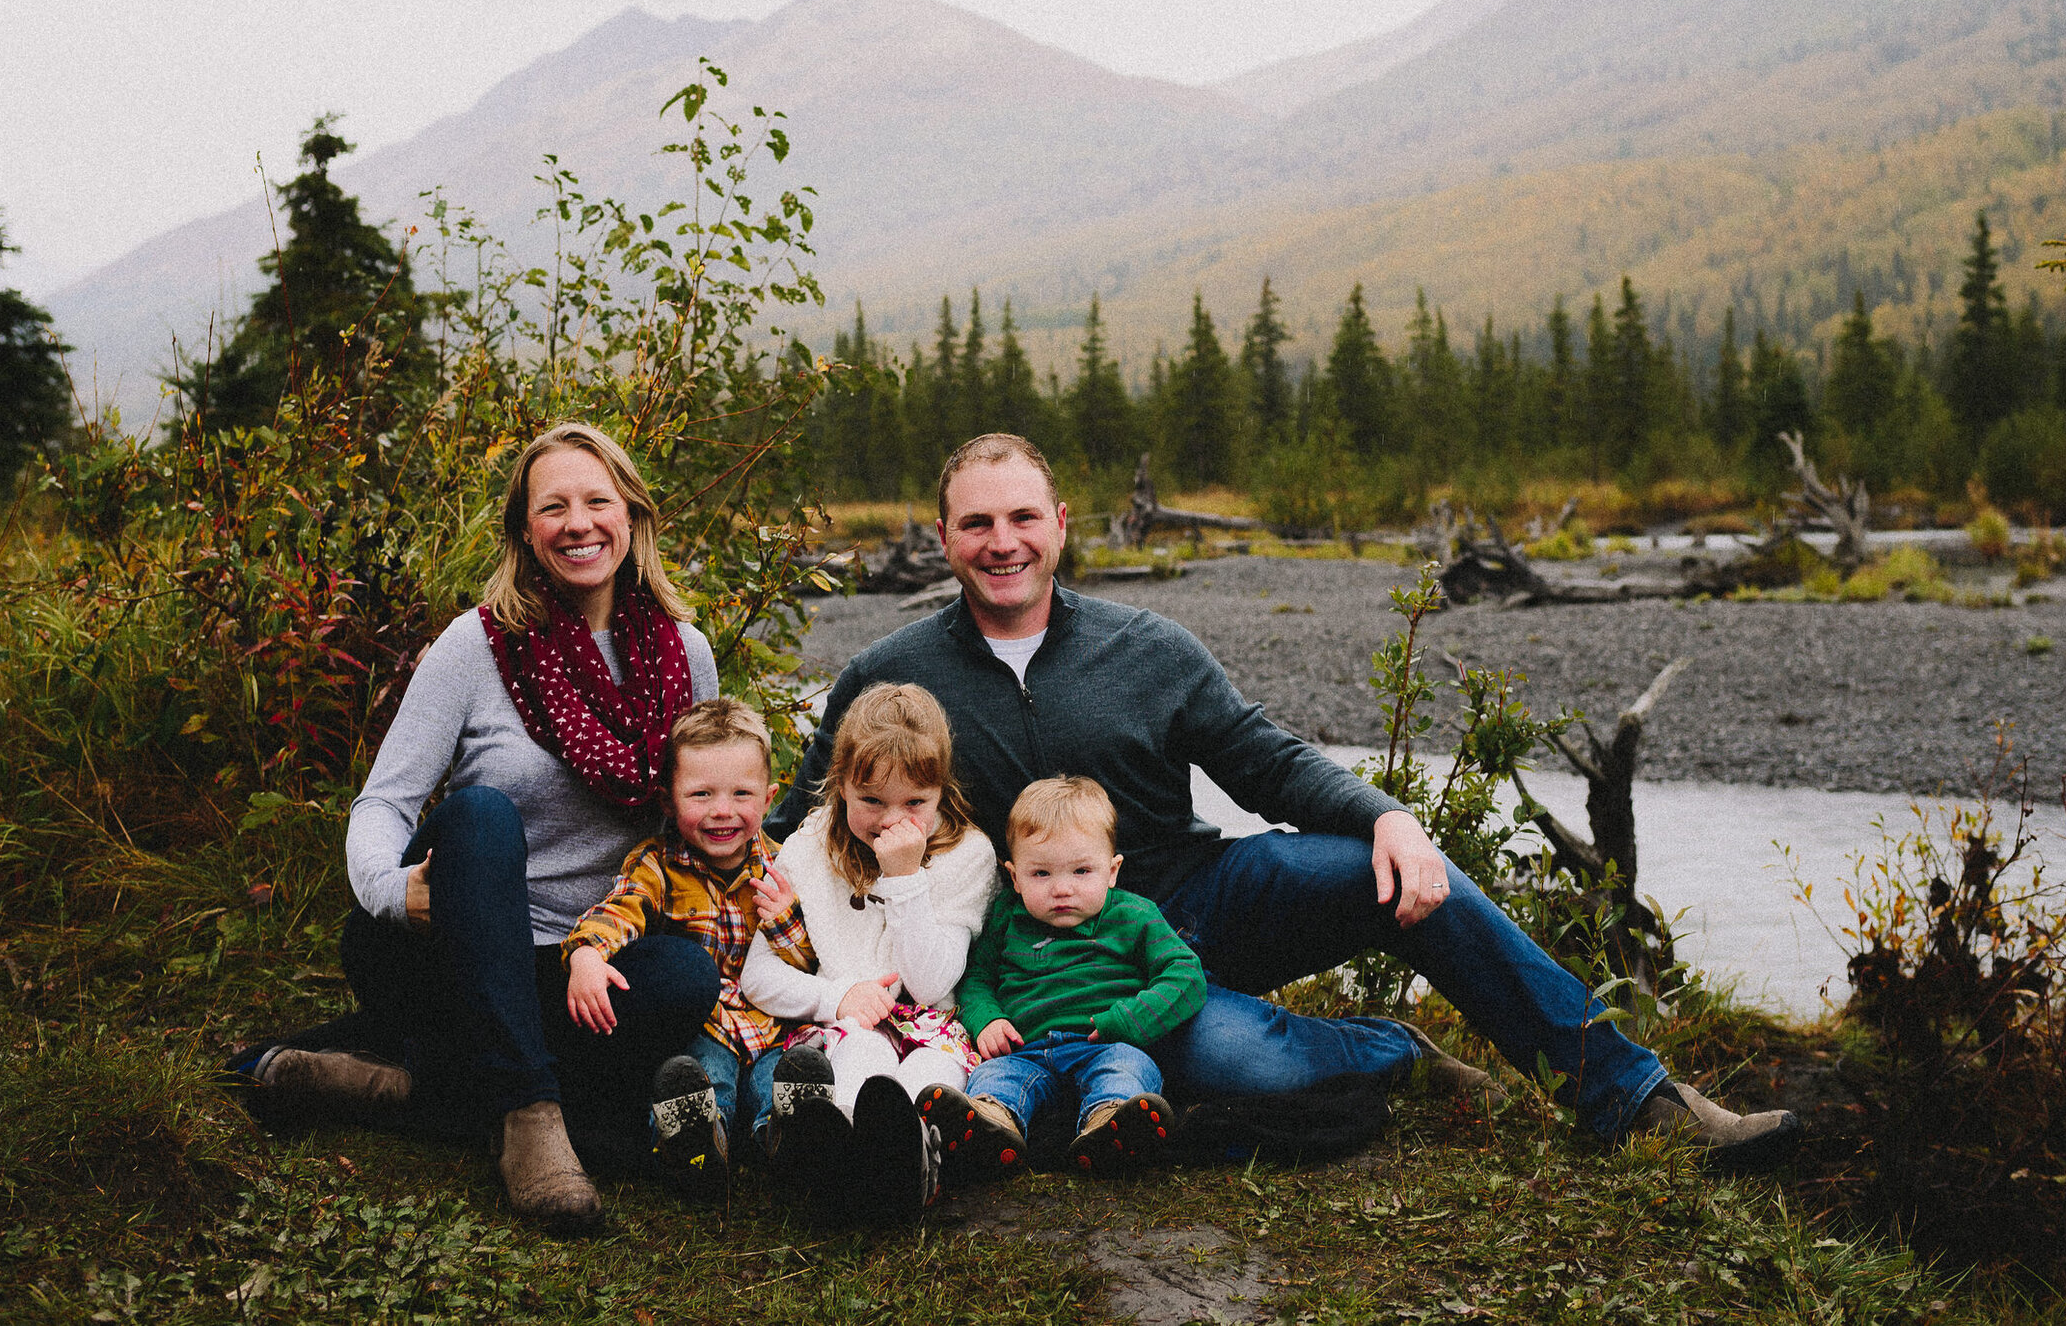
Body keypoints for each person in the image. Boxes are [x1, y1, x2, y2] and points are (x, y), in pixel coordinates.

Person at [771, 433, 1800, 1172]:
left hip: (1208, 890)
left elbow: (1268, 763)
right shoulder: (889, 676)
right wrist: (704, 910)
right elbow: (799, 824)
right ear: (943, 538)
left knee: (1410, 878)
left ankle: (1635, 1098)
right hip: (1062, 955)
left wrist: (1389, 816)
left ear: (1061, 524)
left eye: (1023, 517)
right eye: (977, 523)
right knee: (1242, 1066)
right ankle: (1397, 1051)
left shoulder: (1148, 648)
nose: (1004, 541)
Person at [226, 421, 725, 1232]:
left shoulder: (685, 654)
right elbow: (383, 803)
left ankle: (393, 1086)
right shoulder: (478, 645)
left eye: (598, 500)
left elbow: (714, 804)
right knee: (482, 813)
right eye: (553, 506)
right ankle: (534, 1117)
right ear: (525, 531)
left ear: (632, 515)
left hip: (587, 964)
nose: (579, 523)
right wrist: (394, 891)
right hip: (455, 949)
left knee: (688, 977)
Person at [739, 682, 997, 1218]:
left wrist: (905, 878)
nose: (890, 820)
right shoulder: (810, 847)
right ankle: (850, 1160)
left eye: (914, 804)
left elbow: (929, 983)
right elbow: (756, 975)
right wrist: (838, 998)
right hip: (849, 1024)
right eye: (872, 800)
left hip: (932, 1026)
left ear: (940, 793)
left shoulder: (968, 854)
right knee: (862, 1053)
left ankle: (912, 1161)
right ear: (840, 786)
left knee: (930, 1074)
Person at [561, 698, 811, 1193]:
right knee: (698, 1079)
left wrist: (786, 920)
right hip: (706, 1028)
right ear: (669, 802)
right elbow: (621, 908)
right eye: (700, 794)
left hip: (771, 1028)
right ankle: (692, 1148)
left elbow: (812, 960)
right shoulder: (658, 864)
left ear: (769, 798)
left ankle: (791, 1140)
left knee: (778, 1082)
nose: (722, 811)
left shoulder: (787, 866)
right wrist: (588, 952)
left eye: (742, 793)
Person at [925, 775, 1206, 1176]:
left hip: (1104, 1044)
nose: (1062, 889)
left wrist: (1129, 1020)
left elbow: (1185, 975)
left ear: (1112, 871)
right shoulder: (1007, 917)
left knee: (1126, 1070)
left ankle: (1111, 1127)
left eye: (1081, 871)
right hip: (1025, 1051)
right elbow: (977, 979)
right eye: (1041, 874)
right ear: (1015, 876)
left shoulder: (1134, 914)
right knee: (993, 1076)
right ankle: (991, 1126)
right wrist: (987, 1020)